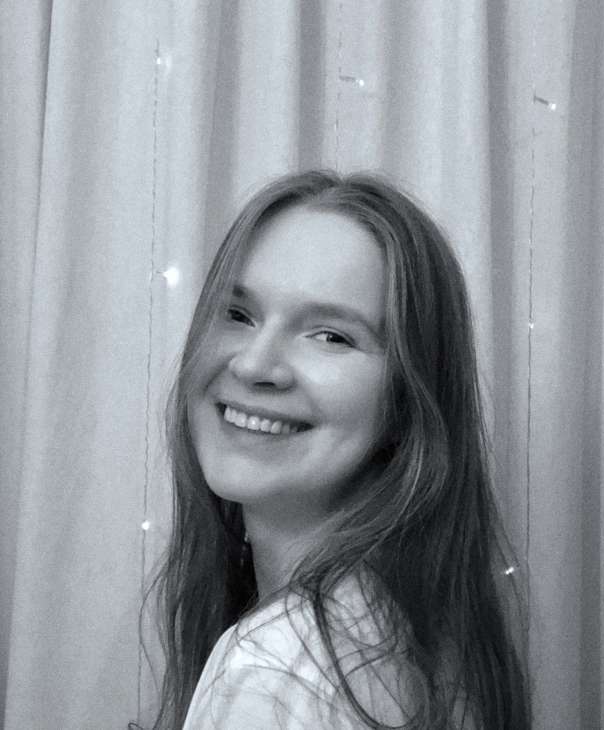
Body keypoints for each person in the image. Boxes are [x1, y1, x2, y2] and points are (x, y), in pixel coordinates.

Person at [149, 170, 530, 730]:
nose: (253, 364)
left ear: (407, 402)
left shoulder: (275, 671)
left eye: (331, 335)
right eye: (238, 314)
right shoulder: (415, 630)